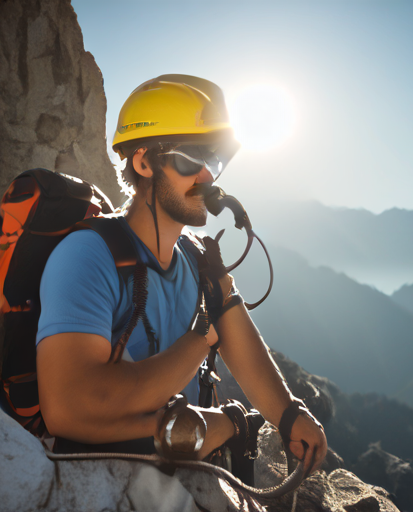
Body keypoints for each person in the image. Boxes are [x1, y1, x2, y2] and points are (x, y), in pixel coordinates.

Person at [35, 74, 327, 475]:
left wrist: (290, 415)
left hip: (182, 467)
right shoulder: (88, 256)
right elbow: (70, 407)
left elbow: (242, 344)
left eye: (215, 160)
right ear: (143, 162)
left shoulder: (198, 260)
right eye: (193, 158)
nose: (208, 176)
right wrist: (216, 414)